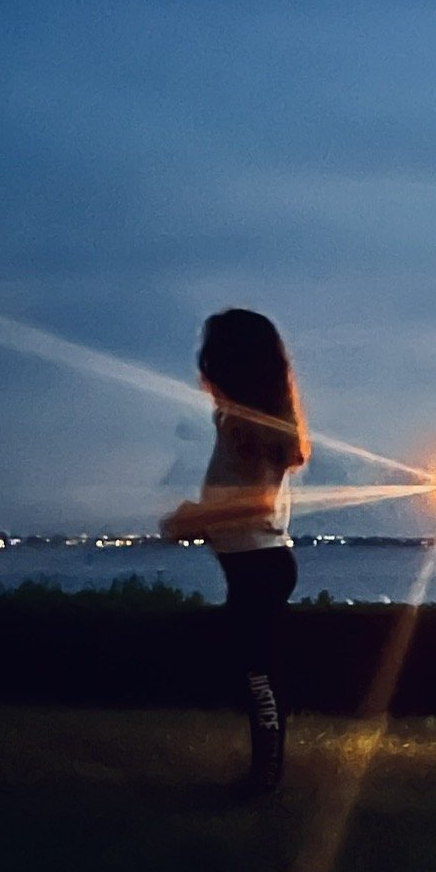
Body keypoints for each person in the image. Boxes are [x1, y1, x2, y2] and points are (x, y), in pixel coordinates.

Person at [159, 309, 308, 793]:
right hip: (257, 564)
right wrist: (200, 517)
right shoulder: (245, 421)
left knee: (258, 675)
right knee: (255, 670)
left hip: (259, 566)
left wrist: (192, 519)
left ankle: (264, 779)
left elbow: (257, 502)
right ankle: (264, 773)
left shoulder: (248, 426)